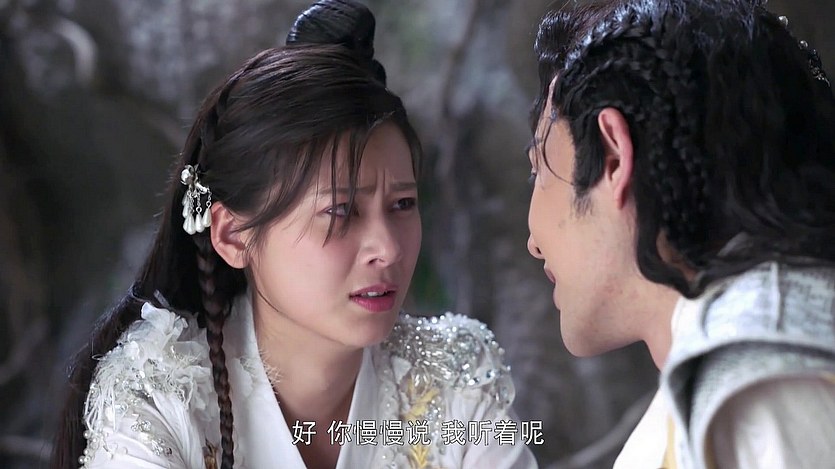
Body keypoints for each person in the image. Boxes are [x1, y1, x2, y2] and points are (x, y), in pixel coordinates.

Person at [50, 1, 538, 468]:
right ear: (233, 235)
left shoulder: (455, 374)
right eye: (340, 211)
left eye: (403, 204)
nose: (388, 249)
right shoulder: (159, 396)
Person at [525, 0, 835, 467]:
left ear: (613, 156)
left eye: (539, 171)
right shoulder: (720, 379)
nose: (532, 241)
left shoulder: (764, 385)